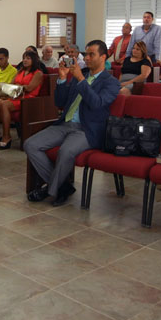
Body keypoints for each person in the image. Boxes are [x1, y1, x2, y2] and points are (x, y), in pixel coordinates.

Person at [24, 40, 120, 207]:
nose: (87, 58)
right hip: (65, 124)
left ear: (103, 57)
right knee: (30, 144)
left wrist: (81, 79)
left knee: (66, 151)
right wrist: (61, 79)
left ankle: (50, 190)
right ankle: (62, 187)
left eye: (92, 54)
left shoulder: (110, 82)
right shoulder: (79, 75)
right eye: (87, 54)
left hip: (87, 130)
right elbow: (60, 102)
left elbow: (96, 103)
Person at [0, 50, 44, 149]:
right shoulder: (20, 71)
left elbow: (30, 88)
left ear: (34, 60)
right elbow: (10, 85)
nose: (25, 60)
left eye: (28, 58)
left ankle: (7, 137)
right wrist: (19, 87)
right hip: (17, 97)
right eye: (24, 58)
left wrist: (19, 86)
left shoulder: (38, 73)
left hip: (28, 100)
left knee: (4, 104)